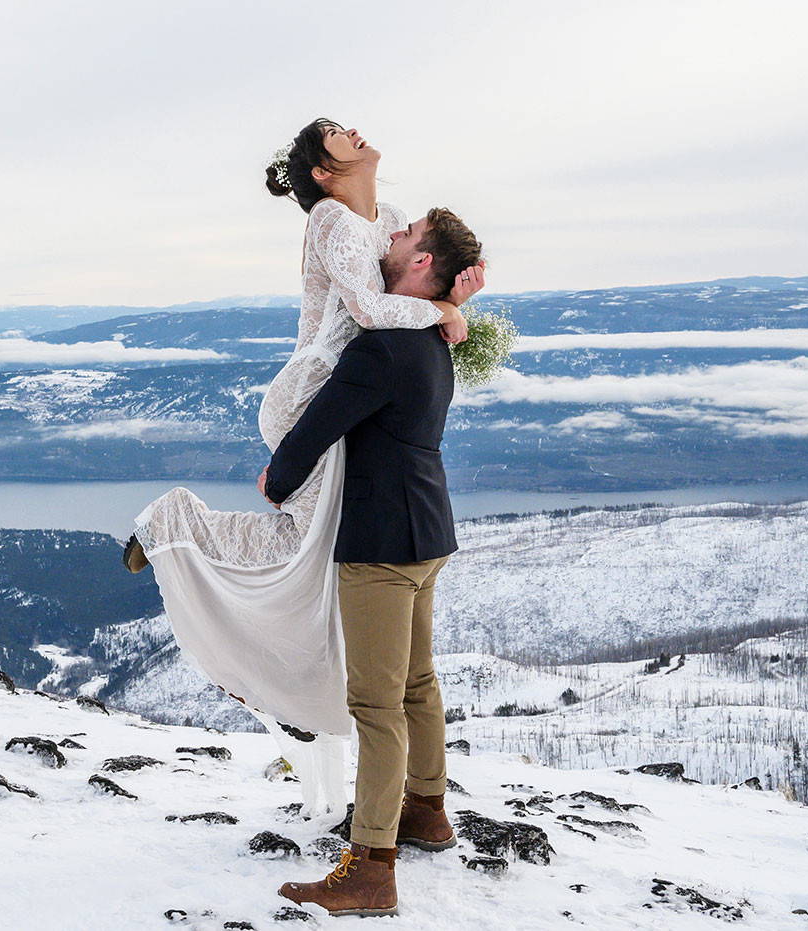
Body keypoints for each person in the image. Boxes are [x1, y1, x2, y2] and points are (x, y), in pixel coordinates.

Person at [123, 117, 483, 818]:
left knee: (338, 559)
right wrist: (443, 307)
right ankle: (174, 523)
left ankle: (307, 696)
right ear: (324, 171)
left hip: (350, 394)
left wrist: (450, 300)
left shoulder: (396, 218)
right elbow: (376, 308)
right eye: (336, 135)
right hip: (313, 394)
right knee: (304, 545)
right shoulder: (332, 221)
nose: (353, 129)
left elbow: (416, 270)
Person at [267, 207, 484, 918]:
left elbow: (319, 421)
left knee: (376, 704)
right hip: (428, 531)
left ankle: (371, 866)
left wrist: (279, 477)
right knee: (417, 682)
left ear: (422, 264)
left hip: (384, 545)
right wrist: (455, 305)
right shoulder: (430, 337)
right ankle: (427, 809)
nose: (392, 236)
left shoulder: (386, 345)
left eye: (407, 234)